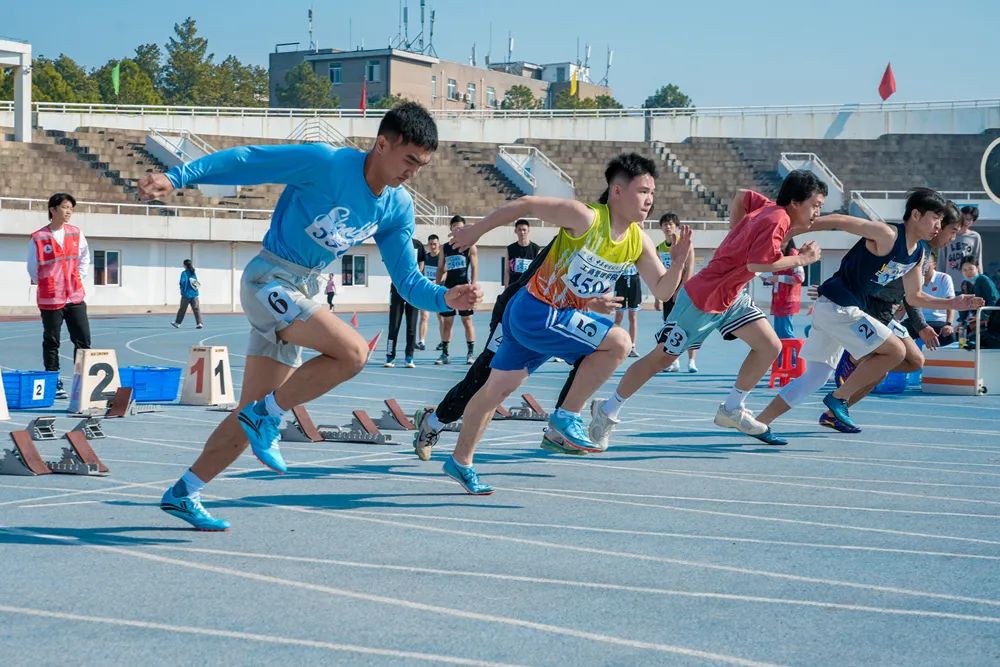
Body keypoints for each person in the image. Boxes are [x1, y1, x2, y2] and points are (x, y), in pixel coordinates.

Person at [139, 103, 481, 530]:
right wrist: (176, 177)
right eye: (409, 160)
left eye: (421, 166)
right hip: (269, 279)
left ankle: (185, 491)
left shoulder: (397, 207)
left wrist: (447, 298)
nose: (412, 172)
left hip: (303, 290)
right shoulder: (325, 162)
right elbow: (248, 160)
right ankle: (268, 414)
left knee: (247, 413)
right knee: (353, 353)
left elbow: (409, 282)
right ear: (382, 144)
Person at [440, 153, 693, 494]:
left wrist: (677, 263)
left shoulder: (638, 241)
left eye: (653, 193)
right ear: (617, 191)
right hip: (537, 312)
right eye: (643, 191)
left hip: (545, 318)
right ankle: (566, 418)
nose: (650, 200)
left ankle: (460, 461)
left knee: (494, 390)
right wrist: (475, 231)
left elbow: (663, 290)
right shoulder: (585, 217)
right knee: (618, 342)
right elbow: (527, 204)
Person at [591, 172, 827, 450]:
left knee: (769, 345)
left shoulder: (768, 207)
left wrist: (735, 234)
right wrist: (802, 258)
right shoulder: (778, 219)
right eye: (815, 205)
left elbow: (741, 195)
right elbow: (758, 265)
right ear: (796, 202)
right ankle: (607, 410)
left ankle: (732, 408)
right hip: (703, 299)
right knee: (661, 359)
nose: (817, 212)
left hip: (732, 296)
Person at [754, 189, 983, 439]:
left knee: (816, 377)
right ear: (916, 215)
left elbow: (915, 296)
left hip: (836, 310)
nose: (938, 226)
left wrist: (954, 302)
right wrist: (791, 229)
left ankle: (759, 423)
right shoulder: (888, 234)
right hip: (839, 304)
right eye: (935, 218)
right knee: (895, 351)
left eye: (941, 220)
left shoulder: (918, 254)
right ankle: (839, 398)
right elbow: (842, 220)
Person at [411, 239, 630, 460]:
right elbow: (550, 283)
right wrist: (478, 230)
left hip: (560, 315)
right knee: (485, 379)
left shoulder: (618, 244)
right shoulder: (579, 234)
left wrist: (594, 301)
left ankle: (559, 429)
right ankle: (433, 422)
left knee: (592, 355)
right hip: (519, 311)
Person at [822, 201, 964, 433]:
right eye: (952, 231)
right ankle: (851, 374)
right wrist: (922, 325)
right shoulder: (911, 246)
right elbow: (912, 296)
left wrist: (922, 325)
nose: (952, 238)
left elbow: (911, 295)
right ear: (938, 225)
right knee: (883, 366)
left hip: (888, 311)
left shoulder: (924, 252)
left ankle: (838, 407)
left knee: (913, 362)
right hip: (872, 307)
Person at [27, 192, 92, 400]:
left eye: (71, 208)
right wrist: (49, 282)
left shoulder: (76, 233)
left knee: (83, 340)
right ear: (53, 209)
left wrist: (77, 277)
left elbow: (85, 258)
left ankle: (83, 381)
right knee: (52, 340)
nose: (69, 212)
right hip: (51, 298)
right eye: (65, 207)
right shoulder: (38, 237)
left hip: (74, 296)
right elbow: (33, 268)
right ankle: (53, 380)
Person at [654, 212, 697, 372]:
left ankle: (691, 361)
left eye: (671, 224)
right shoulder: (659, 248)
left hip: (684, 290)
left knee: (689, 325)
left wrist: (680, 289)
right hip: (668, 291)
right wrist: (658, 296)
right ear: (661, 227)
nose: (668, 227)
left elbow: (689, 269)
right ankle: (674, 361)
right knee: (670, 326)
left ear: (676, 227)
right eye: (665, 224)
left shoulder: (685, 244)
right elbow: (659, 274)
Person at [436, 215, 478, 365]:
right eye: (455, 227)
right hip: (449, 288)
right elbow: (440, 268)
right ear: (451, 229)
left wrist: (473, 287)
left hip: (464, 288)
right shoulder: (445, 247)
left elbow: (474, 267)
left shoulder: (470, 246)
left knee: (467, 321)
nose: (458, 229)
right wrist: (437, 287)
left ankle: (470, 354)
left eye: (460, 227)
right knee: (447, 322)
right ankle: (445, 354)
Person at [385, 237, 425, 368]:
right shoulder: (396, 242)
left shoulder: (418, 245)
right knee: (394, 324)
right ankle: (390, 356)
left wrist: (416, 279)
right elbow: (388, 262)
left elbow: (422, 264)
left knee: (411, 325)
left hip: (413, 289)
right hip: (397, 288)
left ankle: (409, 357)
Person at [761, 238, 804, 340]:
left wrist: (778, 278)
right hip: (778, 301)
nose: (779, 244)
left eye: (782, 240)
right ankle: (784, 351)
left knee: (786, 333)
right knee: (779, 334)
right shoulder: (780, 257)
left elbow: (800, 278)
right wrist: (766, 277)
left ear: (789, 241)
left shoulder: (794, 256)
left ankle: (793, 351)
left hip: (787, 302)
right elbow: (777, 280)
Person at [959, 256, 1000, 348]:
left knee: (975, 338)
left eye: (971, 269)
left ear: (977, 268)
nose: (968, 272)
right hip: (976, 320)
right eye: (964, 270)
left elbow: (994, 301)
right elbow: (964, 305)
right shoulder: (965, 284)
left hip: (992, 320)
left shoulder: (983, 279)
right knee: (961, 334)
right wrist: (962, 321)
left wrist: (982, 316)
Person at [938, 205, 982, 288]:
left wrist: (980, 281)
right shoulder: (949, 234)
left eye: (969, 219)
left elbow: (977, 259)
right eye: (963, 218)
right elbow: (941, 259)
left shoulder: (975, 237)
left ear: (973, 221)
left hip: (969, 283)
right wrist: (939, 280)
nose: (965, 221)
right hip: (949, 283)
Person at [613, 263, 642, 357]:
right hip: (621, 280)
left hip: (634, 280)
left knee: (633, 317)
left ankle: (632, 347)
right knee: (618, 318)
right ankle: (615, 345)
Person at [417, 234, 440, 350]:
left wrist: (437, 280)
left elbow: (447, 272)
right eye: (431, 244)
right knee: (424, 316)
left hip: (438, 290)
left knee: (441, 318)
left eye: (435, 244)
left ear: (438, 244)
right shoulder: (425, 258)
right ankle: (421, 341)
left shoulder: (442, 257)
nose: (433, 246)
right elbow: (420, 272)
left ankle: (443, 342)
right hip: (426, 290)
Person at [504, 218, 540, 285]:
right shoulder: (510, 249)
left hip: (529, 287)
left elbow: (538, 271)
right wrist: (506, 288)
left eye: (524, 230)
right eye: (519, 230)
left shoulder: (536, 249)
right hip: (514, 286)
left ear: (528, 230)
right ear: (515, 231)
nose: (522, 232)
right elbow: (507, 271)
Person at [172, 259, 204, 329]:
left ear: (185, 265)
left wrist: (182, 290)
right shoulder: (193, 272)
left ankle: (177, 323)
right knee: (196, 309)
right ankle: (199, 323)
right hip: (194, 294)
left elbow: (182, 282)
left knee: (182, 309)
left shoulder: (184, 273)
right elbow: (196, 282)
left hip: (186, 294)